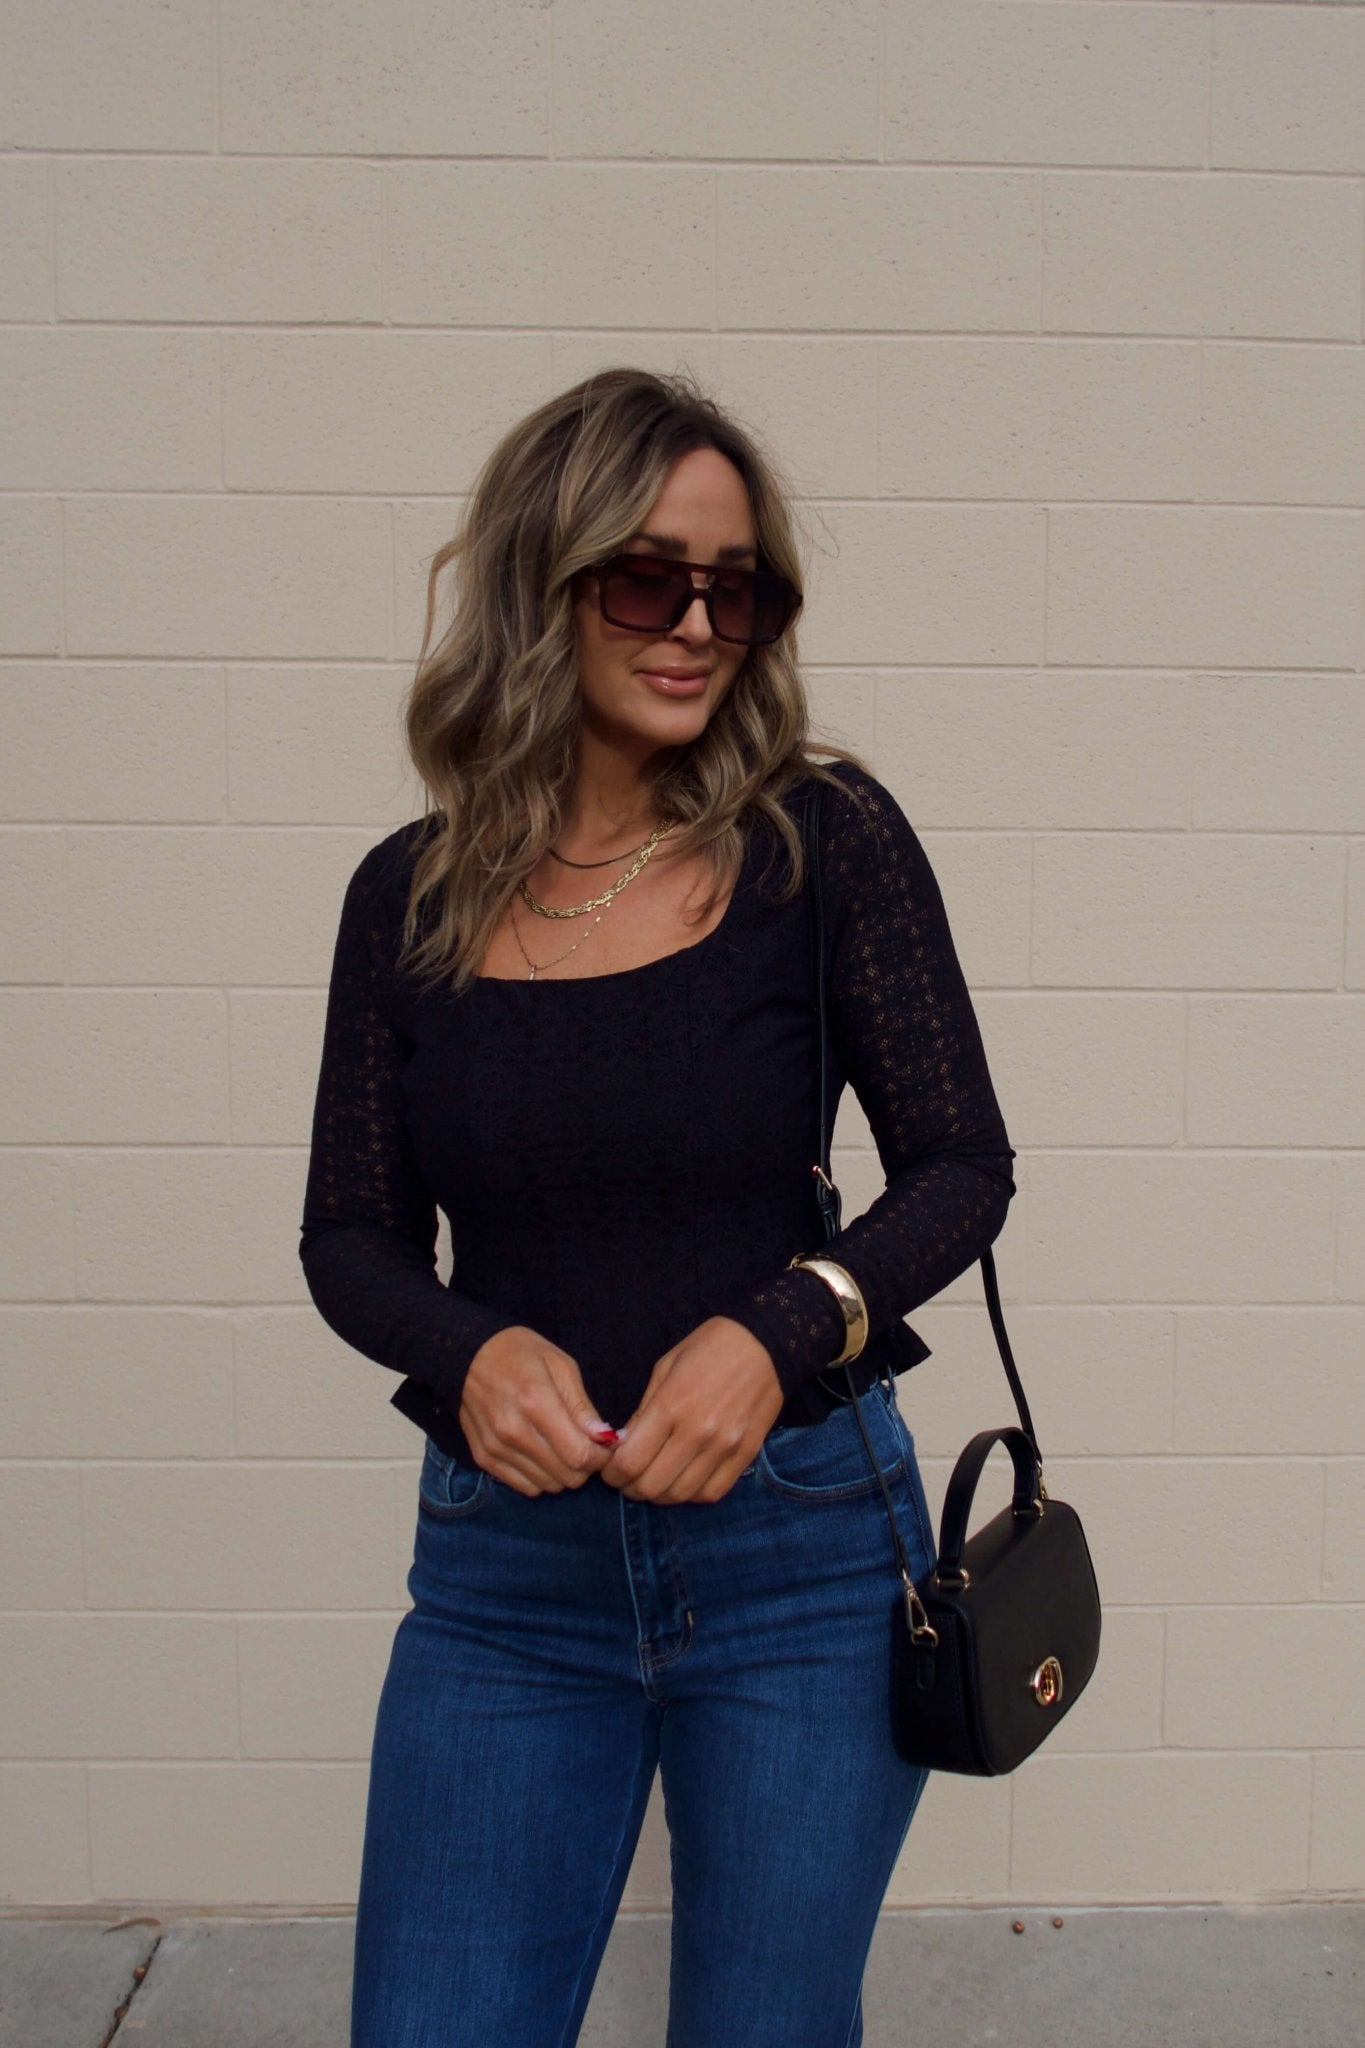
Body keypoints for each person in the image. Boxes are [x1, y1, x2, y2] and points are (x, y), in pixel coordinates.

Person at [299, 367, 1016, 2048]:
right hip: (507, 1577)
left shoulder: (821, 842)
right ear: (538, 588)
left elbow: (960, 1166)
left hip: (804, 1552)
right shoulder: (407, 896)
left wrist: (776, 1332)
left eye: (734, 587)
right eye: (646, 579)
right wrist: (467, 1354)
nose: (698, 625)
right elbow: (349, 1236)